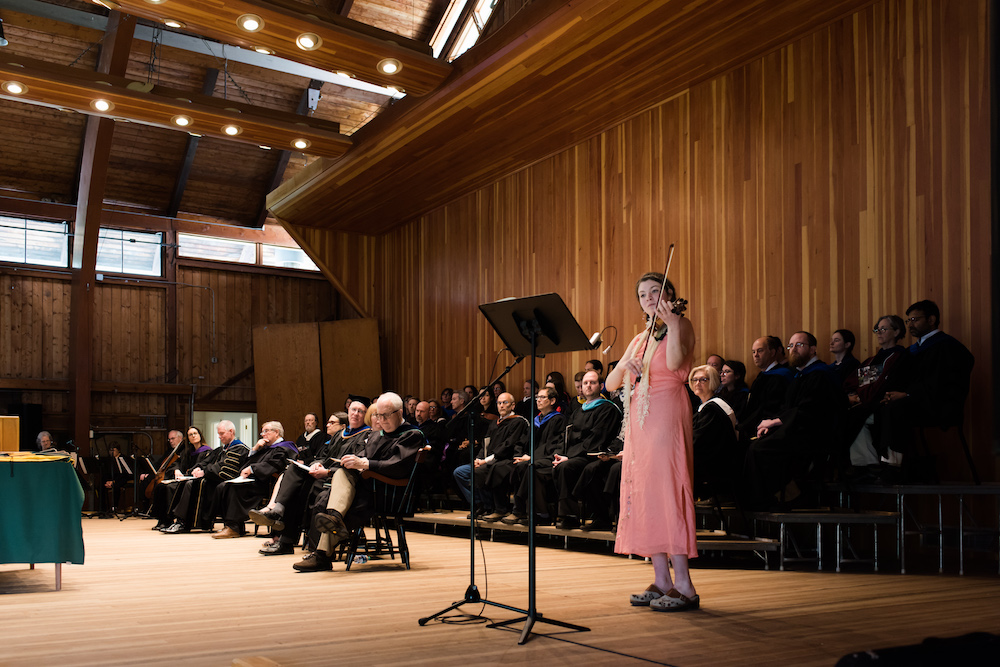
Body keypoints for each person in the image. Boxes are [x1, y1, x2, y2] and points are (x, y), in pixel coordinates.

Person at [605, 271, 699, 612]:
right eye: (643, 293)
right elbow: (611, 382)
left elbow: (676, 364)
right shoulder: (639, 337)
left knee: (667, 490)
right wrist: (624, 364)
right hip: (640, 423)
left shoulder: (681, 325)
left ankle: (685, 585)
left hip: (666, 414)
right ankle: (661, 579)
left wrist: (672, 323)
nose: (648, 297)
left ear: (670, 294)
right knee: (644, 493)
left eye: (655, 291)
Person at [293, 392, 423, 572]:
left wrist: (366, 463)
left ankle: (323, 553)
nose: (382, 420)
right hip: (370, 487)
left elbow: (398, 466)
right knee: (338, 477)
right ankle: (333, 521)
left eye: (386, 415)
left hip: (389, 492)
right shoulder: (378, 435)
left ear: (400, 412)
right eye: (378, 415)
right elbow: (363, 456)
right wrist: (353, 459)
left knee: (332, 499)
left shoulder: (411, 435)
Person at [875, 300, 974, 469]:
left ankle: (892, 468)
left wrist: (907, 394)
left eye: (915, 319)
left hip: (938, 404)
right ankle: (877, 465)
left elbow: (942, 383)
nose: (910, 324)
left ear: (931, 320)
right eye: (908, 321)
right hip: (917, 401)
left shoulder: (948, 347)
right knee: (878, 406)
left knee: (894, 409)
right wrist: (891, 393)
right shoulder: (912, 351)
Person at [551, 370, 622, 529]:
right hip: (576, 455)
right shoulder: (577, 411)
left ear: (601, 386)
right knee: (559, 466)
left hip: (595, 453)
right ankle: (570, 516)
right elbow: (567, 435)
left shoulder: (607, 409)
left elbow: (598, 437)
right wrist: (562, 454)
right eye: (585, 383)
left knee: (568, 467)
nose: (588, 386)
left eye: (593, 382)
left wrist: (569, 457)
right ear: (581, 387)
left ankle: (590, 516)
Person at [846, 316, 913, 468]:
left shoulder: (899, 357)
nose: (878, 333)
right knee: (849, 415)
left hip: (884, 404)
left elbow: (885, 384)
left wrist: (862, 397)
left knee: (857, 416)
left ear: (896, 332)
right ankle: (864, 465)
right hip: (866, 402)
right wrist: (852, 395)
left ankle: (877, 465)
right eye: (877, 329)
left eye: (883, 329)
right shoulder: (872, 360)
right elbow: (853, 382)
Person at [210, 422, 297, 539]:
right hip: (256, 481)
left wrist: (252, 469)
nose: (263, 434)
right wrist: (255, 449)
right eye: (262, 432)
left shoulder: (285, 447)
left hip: (267, 483)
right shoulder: (265, 448)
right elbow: (246, 462)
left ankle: (233, 527)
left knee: (234, 488)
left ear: (276, 432)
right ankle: (235, 526)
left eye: (266, 431)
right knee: (224, 486)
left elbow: (275, 464)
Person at [452, 392, 530, 521]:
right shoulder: (494, 423)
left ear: (513, 405)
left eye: (505, 403)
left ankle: (495, 508)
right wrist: (479, 458)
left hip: (504, 460)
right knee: (460, 472)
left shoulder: (518, 422)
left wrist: (485, 461)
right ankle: (481, 504)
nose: (502, 406)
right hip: (487, 461)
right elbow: (485, 444)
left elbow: (508, 445)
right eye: (499, 403)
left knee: (481, 471)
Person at [163, 420, 247, 534]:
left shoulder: (239, 448)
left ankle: (184, 522)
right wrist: (199, 468)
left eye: (221, 433)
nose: (219, 436)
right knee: (186, 483)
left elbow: (225, 469)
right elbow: (207, 462)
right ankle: (177, 521)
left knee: (192, 484)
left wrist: (205, 472)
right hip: (213, 479)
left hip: (222, 482)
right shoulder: (220, 449)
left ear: (231, 431)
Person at [688, 365, 739, 494]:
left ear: (713, 382)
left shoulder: (714, 408)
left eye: (703, 379)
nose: (697, 383)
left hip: (716, 463)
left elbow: (700, 441)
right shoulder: (703, 407)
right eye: (694, 380)